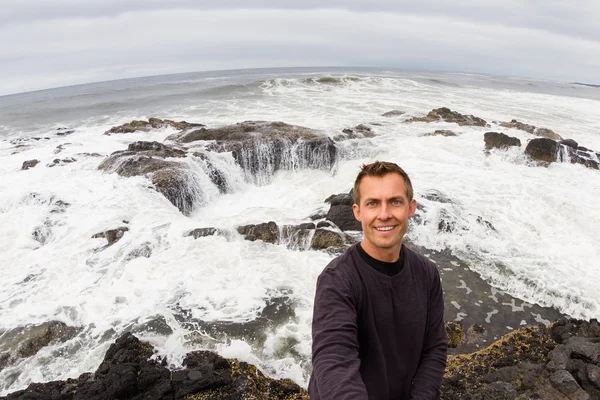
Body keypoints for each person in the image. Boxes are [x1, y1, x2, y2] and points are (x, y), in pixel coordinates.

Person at [308, 161, 447, 399]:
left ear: (411, 208)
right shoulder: (337, 280)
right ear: (357, 212)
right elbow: (333, 359)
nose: (384, 214)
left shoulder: (427, 274)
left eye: (395, 202)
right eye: (373, 203)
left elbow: (434, 349)